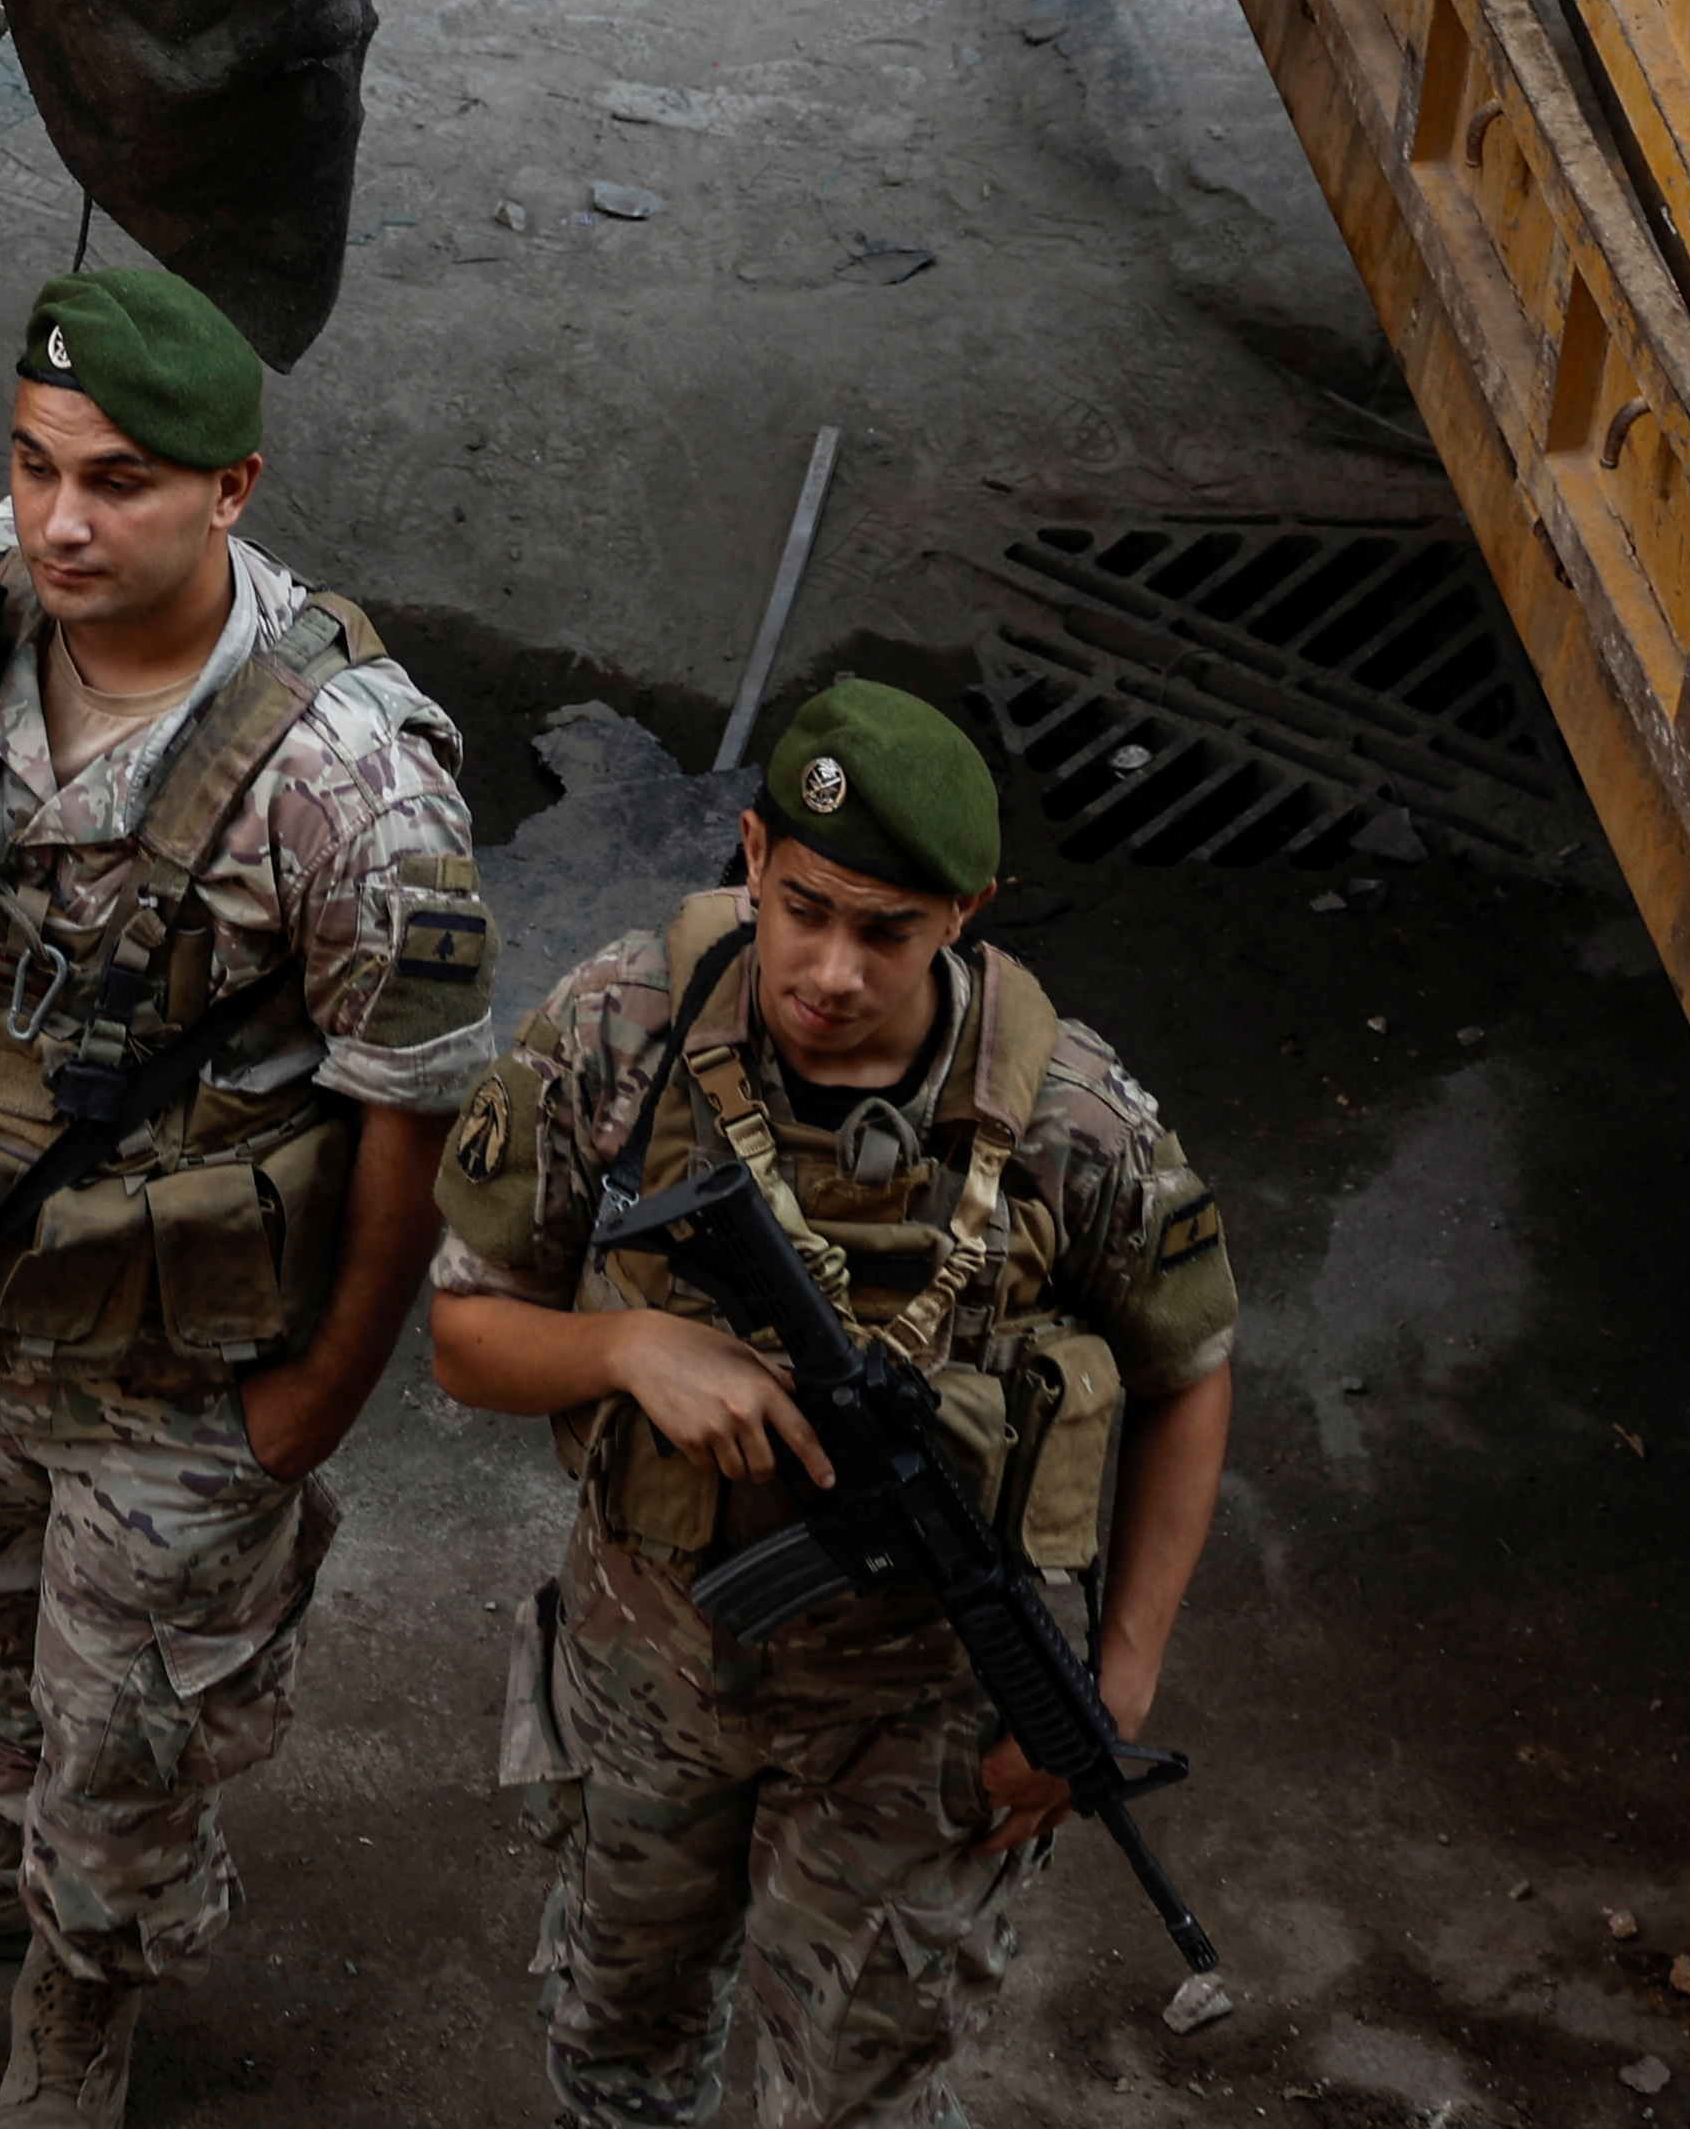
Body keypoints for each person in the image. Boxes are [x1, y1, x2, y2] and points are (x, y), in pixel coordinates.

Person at [0, 269, 499, 2127]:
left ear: (231, 490)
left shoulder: (350, 783)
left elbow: (406, 1116)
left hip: (181, 1373)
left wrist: (318, 1403)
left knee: (138, 1732)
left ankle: (80, 2008)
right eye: (32, 464)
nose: (60, 519)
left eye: (119, 481)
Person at [427, 679, 1238, 2128]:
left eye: (890, 931)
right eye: (806, 907)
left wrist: (1113, 1685)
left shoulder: (1073, 1119)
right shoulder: (620, 1036)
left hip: (920, 1715)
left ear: (970, 912)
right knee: (617, 2037)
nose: (835, 969)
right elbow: (466, 1336)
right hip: (652, 1665)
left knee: (859, 2081)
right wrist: (625, 1356)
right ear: (749, 855)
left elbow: (1192, 1372)